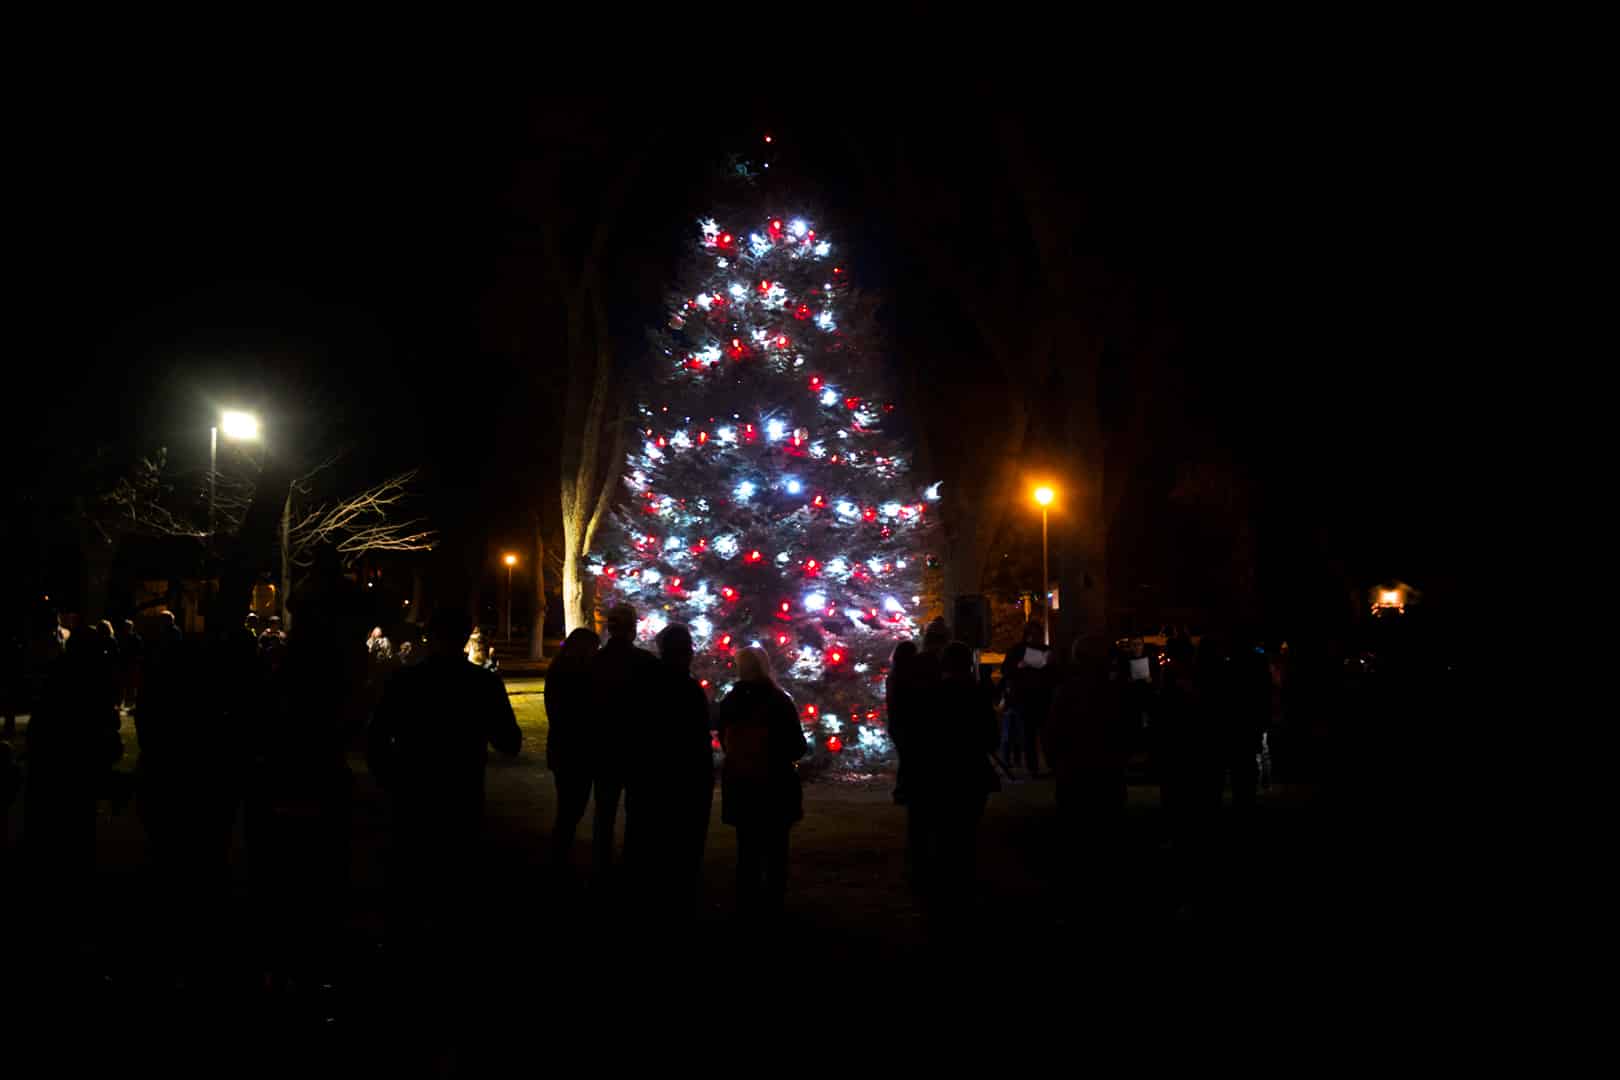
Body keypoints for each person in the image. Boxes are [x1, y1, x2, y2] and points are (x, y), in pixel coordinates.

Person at [368, 608, 521, 944]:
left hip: (413, 791)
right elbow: (509, 742)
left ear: (429, 638)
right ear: (464, 638)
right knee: (455, 876)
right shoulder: (483, 683)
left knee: (411, 875)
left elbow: (377, 737)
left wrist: (389, 777)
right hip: (461, 791)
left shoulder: (405, 682)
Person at [629, 623, 715, 915]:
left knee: (651, 843)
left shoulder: (645, 682)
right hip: (682, 781)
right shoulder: (686, 689)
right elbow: (697, 739)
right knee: (681, 847)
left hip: (650, 778)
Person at [716, 646, 807, 918]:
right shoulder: (779, 701)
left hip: (742, 784)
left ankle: (747, 902)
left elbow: (725, 740)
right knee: (777, 849)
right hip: (775, 785)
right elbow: (796, 746)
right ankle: (773, 905)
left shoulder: (731, 701)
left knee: (747, 848)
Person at [907, 642, 999, 905]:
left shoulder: (931, 694)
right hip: (971, 772)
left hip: (939, 774)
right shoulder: (977, 694)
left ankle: (941, 886)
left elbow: (920, 736)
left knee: (942, 831)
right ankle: (962, 884)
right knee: (966, 832)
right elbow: (991, 737)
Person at [1046, 635, 1132, 894]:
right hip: (1106, 772)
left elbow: (1053, 732)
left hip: (1074, 772)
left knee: (1076, 834)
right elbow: (1127, 730)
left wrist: (1057, 763)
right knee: (1106, 832)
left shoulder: (1067, 692)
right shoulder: (1115, 692)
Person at [586, 604, 657, 877]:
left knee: (604, 810)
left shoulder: (595, 662)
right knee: (636, 813)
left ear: (610, 628)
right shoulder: (647, 663)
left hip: (605, 749)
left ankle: (601, 862)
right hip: (637, 750)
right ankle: (632, 863)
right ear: (633, 629)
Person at [544, 626, 599, 868]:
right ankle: (560, 852)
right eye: (592, 648)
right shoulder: (576, 674)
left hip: (563, 749)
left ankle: (560, 849)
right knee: (572, 807)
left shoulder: (559, 670)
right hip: (575, 751)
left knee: (569, 805)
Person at [1001, 622, 1056, 776]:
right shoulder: (1017, 650)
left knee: (1045, 735)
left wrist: (1049, 664)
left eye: (1038, 634)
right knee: (1028, 735)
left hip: (1042, 698)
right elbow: (1007, 670)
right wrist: (1019, 666)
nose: (1036, 637)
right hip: (1024, 698)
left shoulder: (1046, 650)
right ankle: (1033, 767)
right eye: (1033, 634)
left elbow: (1055, 674)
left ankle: (1050, 765)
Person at [886, 640, 920, 807]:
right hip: (906, 724)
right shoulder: (906, 676)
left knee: (907, 759)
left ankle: (903, 791)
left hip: (896, 723)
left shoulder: (893, 675)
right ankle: (902, 792)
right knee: (909, 760)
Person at [117, 618, 144, 711]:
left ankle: (130, 704)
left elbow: (139, 651)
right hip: (126, 664)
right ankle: (125, 703)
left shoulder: (133, 638)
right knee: (125, 684)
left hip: (130, 664)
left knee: (130, 685)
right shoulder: (129, 638)